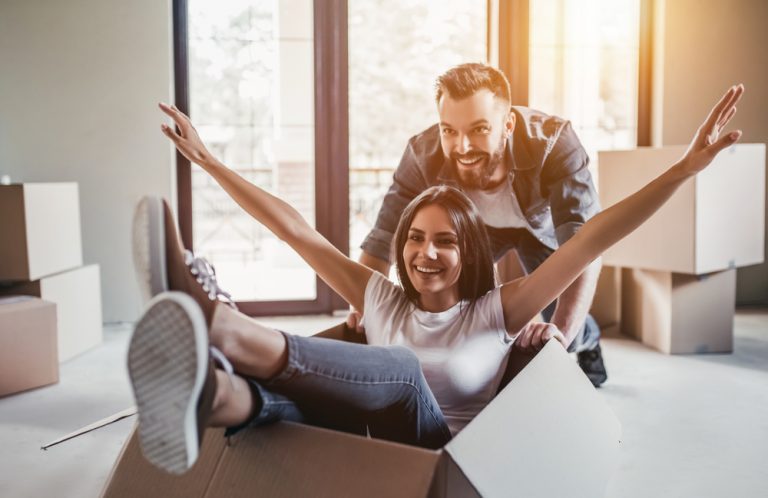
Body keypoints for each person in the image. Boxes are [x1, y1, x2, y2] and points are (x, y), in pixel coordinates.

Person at [128, 84, 743, 475]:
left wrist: (683, 169)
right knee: (286, 402)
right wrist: (208, 161)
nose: (426, 253)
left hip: (440, 456)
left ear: (468, 250)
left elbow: (592, 238)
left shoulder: (498, 311)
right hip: (371, 441)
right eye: (416, 238)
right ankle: (212, 394)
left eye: (445, 241)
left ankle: (221, 324)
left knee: (399, 368)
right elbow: (297, 231)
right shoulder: (379, 295)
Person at [351, 63, 608, 386]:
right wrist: (363, 308)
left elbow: (585, 245)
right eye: (449, 131)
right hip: (477, 231)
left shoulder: (555, 142)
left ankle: (590, 340)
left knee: (561, 313)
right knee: (462, 299)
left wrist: (561, 340)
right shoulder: (422, 154)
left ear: (508, 124)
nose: (463, 147)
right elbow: (383, 238)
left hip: (539, 230)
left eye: (479, 129)